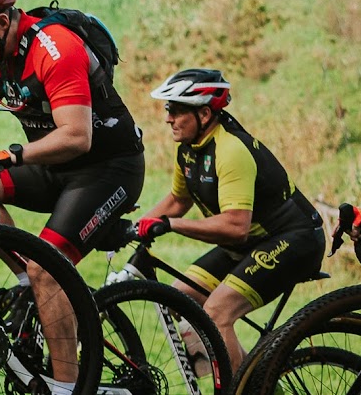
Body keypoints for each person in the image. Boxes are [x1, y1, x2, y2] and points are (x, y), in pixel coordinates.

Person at [0, 0, 146, 395]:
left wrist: (10, 155)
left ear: (2, 23)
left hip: (108, 168)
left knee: (47, 269)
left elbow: (77, 137)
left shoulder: (54, 48)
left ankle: (66, 387)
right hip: (54, 166)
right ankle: (35, 289)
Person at [136, 68, 324, 376]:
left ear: (206, 114)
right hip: (252, 241)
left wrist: (172, 225)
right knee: (178, 298)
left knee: (216, 313)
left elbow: (235, 228)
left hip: (295, 239)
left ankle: (239, 387)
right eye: (167, 108)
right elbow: (178, 201)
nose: (168, 117)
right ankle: (251, 380)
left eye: (176, 109)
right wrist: (136, 225)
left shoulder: (231, 150)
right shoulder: (189, 151)